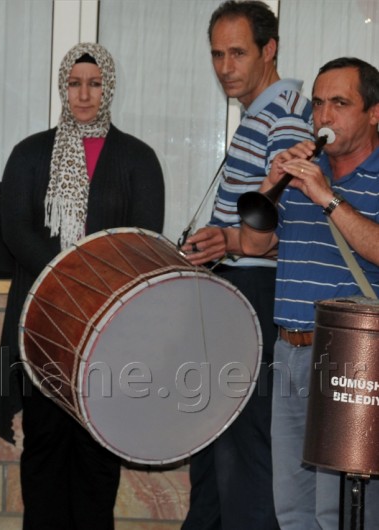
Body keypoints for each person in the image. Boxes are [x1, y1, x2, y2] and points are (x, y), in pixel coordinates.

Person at [0, 42, 165, 529]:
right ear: (62, 88)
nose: (84, 95)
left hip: (108, 331)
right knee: (44, 452)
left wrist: (90, 284)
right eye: (74, 84)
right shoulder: (30, 154)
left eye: (94, 84)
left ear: (108, 88)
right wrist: (68, 279)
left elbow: (142, 240)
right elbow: (15, 229)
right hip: (43, 327)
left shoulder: (138, 159)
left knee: (96, 459)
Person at [179, 2, 313, 528]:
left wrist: (228, 241)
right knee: (216, 450)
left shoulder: (284, 118)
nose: (225, 67)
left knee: (244, 456)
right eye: (217, 54)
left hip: (260, 297)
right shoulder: (261, 113)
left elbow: (293, 232)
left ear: (269, 50)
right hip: (236, 295)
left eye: (237, 53)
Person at [239, 56, 379, 530]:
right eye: (318, 104)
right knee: (293, 511)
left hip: (353, 361)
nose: (324, 116)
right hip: (290, 352)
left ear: (374, 113)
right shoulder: (302, 173)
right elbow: (255, 244)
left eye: (340, 103)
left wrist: (327, 197)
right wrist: (271, 184)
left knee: (341, 513)